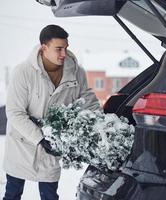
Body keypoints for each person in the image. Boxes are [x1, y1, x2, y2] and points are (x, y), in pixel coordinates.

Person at [3, 24, 100, 200]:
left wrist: (101, 123)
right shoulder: (23, 72)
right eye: (58, 49)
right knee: (12, 194)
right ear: (44, 48)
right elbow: (15, 113)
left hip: (52, 148)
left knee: (49, 196)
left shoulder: (76, 73)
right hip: (21, 144)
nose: (64, 54)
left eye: (66, 48)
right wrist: (40, 138)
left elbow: (88, 101)